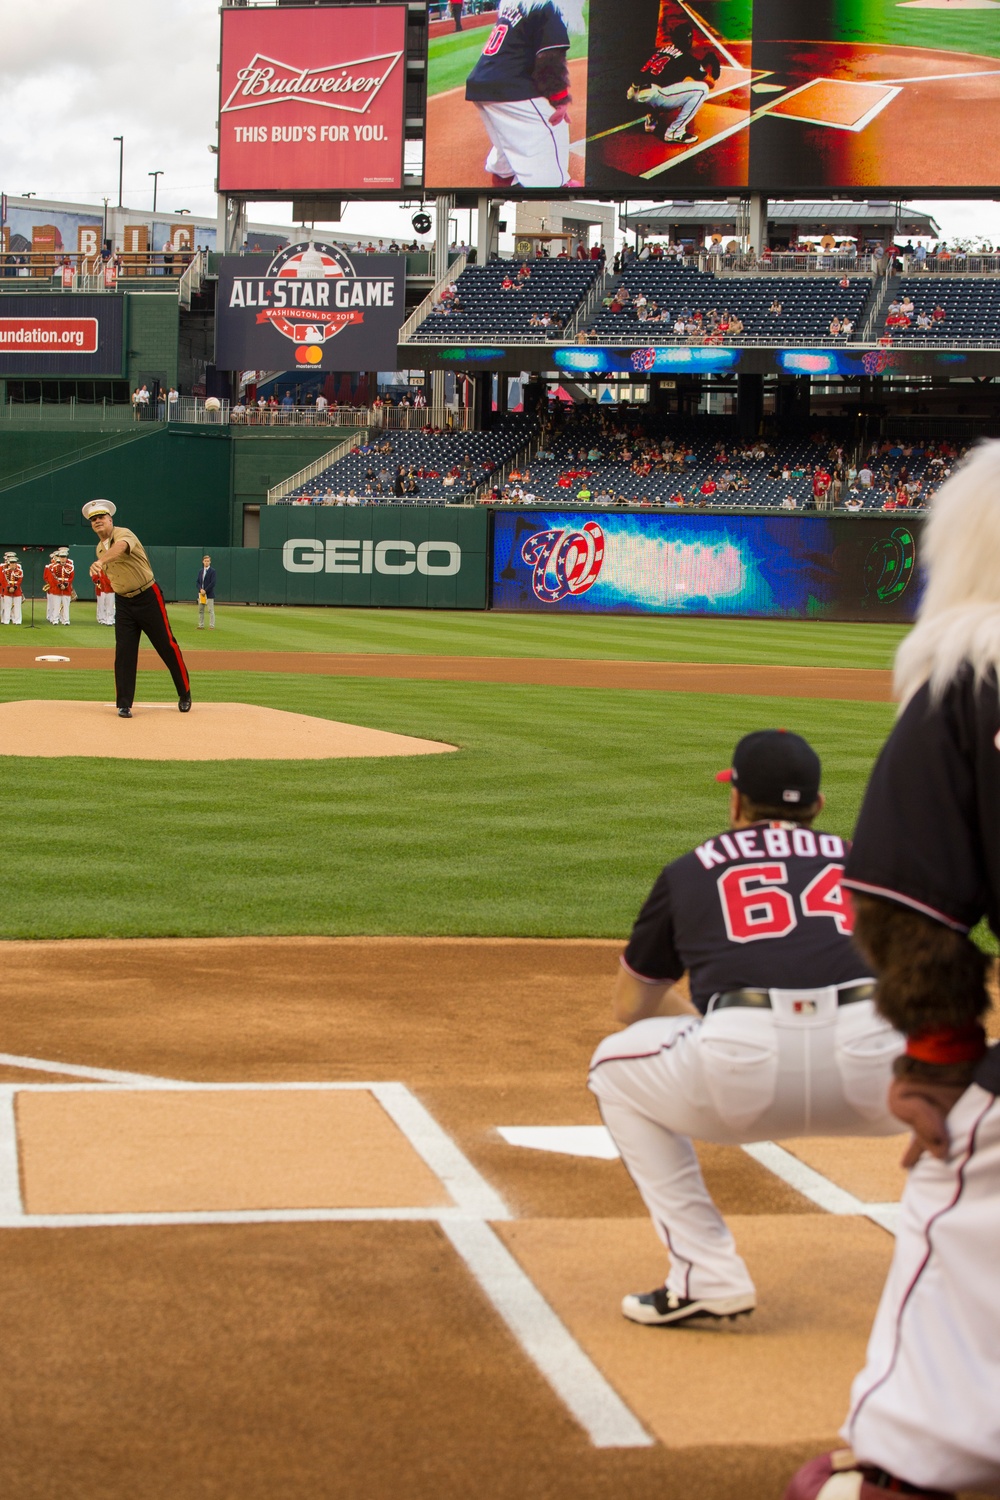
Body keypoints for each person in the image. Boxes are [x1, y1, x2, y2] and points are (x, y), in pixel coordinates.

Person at [785, 442, 1000, 1500]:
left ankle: (898, 1471)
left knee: (952, 1225)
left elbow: (905, 905)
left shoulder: (970, 667)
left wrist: (936, 1065)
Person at [588, 730, 904, 1328]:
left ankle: (705, 1275)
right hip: (876, 1074)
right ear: (817, 807)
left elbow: (632, 1004)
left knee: (612, 1065)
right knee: (977, 1087)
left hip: (742, 1072)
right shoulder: (870, 863)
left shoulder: (690, 870)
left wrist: (725, 1027)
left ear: (735, 801)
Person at [82, 499, 190, 719]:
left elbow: (120, 549)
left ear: (110, 519)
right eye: (93, 520)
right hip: (123, 602)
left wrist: (101, 562)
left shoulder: (123, 534)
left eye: (101, 517)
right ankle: (124, 704)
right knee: (124, 653)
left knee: (166, 646)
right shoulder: (99, 548)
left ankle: (184, 693)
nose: (97, 521)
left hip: (148, 596)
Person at [464, 0, 584, 189]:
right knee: (555, 124)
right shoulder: (549, 8)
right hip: (511, 86)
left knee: (507, 143)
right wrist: (560, 101)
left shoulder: (518, 5)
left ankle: (503, 178)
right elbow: (549, 61)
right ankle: (559, 184)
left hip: (482, 85)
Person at [627, 22, 720, 146]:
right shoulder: (687, 59)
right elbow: (710, 83)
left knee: (667, 88)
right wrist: (707, 70)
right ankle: (675, 133)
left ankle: (651, 121)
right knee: (702, 89)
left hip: (633, 93)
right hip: (653, 94)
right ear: (688, 40)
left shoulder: (663, 50)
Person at [47, 548, 74, 625]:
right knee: (56, 605)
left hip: (66, 589)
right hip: (57, 589)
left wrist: (65, 584)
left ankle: (66, 620)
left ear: (66, 558)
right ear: (59, 558)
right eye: (61, 557)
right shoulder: (54, 567)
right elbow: (53, 578)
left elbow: (71, 577)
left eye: (64, 557)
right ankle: (55, 620)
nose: (63, 559)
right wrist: (58, 584)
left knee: (66, 606)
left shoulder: (70, 567)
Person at [0, 552, 23, 625]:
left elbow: (20, 580)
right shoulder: (5, 571)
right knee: (6, 606)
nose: (13, 565)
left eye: (14, 563)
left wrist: (15, 587)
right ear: (9, 564)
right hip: (7, 590)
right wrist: (8, 587)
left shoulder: (20, 571)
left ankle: (17, 621)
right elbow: (3, 580)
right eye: (11, 563)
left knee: (17, 606)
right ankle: (6, 620)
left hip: (17, 590)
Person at [196, 555, 216, 630]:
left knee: (210, 610)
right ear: (203, 561)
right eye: (205, 561)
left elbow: (213, 583)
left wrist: (205, 590)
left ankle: (212, 626)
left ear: (210, 562)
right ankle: (201, 625)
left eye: (208, 561)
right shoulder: (201, 571)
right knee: (201, 610)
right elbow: (197, 582)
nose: (206, 562)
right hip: (201, 594)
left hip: (209, 594)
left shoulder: (212, 571)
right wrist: (200, 589)